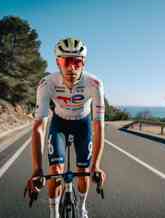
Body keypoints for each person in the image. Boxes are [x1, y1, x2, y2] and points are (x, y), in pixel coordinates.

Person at [24, 37, 106, 218]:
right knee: (55, 171)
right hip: (59, 124)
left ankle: (81, 207)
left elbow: (98, 126)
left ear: (83, 62)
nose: (71, 67)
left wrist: (97, 165)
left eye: (77, 62)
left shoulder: (95, 84)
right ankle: (54, 214)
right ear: (57, 62)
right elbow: (39, 127)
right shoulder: (47, 84)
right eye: (66, 61)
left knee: (84, 172)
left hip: (82, 124)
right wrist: (37, 169)